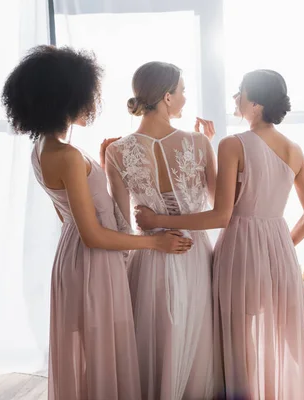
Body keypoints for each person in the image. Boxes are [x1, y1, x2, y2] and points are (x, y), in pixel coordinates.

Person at [135, 69, 304, 399]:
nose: (236, 98)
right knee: (294, 339)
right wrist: (279, 246)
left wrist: (156, 218)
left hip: (241, 252)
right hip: (280, 253)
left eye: (240, 92)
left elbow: (221, 215)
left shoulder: (234, 145)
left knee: (238, 345)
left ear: (255, 102)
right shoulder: (294, 149)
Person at [1, 46, 192, 400]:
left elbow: (70, 217)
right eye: (90, 95)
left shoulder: (44, 149)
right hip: (93, 262)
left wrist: (103, 160)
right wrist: (155, 242)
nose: (93, 103)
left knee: (96, 349)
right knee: (105, 348)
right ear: (66, 98)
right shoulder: (69, 156)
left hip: (76, 258)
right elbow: (92, 234)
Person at [103, 61, 218, 399]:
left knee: (154, 343)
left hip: (148, 256)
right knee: (197, 345)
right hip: (194, 254)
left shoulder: (117, 151)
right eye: (182, 91)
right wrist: (208, 146)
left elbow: (121, 224)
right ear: (167, 97)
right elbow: (220, 209)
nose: (185, 98)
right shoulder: (198, 143)